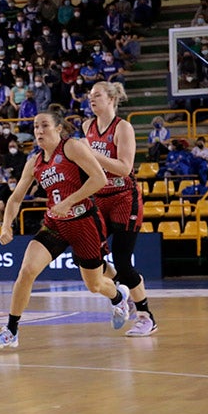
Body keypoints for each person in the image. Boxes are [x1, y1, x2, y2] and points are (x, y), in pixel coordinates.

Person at [0, 105, 131, 349]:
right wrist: (6, 225)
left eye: (44, 125)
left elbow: (99, 179)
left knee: (94, 285)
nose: (39, 131)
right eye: (35, 127)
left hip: (84, 222)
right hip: (55, 224)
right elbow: (16, 198)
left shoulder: (71, 147)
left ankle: (118, 296)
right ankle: (11, 330)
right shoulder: (34, 162)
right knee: (27, 271)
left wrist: (69, 201)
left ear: (58, 128)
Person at [83, 82, 158, 336]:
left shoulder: (123, 127)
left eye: (97, 95)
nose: (91, 99)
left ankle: (146, 317)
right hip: (98, 197)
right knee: (86, 255)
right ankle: (121, 291)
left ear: (111, 98)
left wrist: (91, 153)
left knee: (123, 261)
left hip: (124, 198)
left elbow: (125, 168)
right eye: (90, 96)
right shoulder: (87, 126)